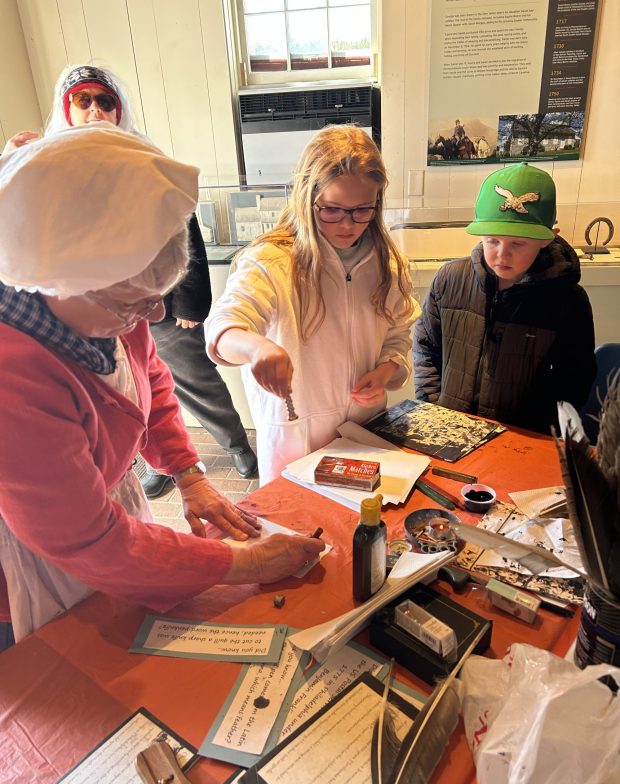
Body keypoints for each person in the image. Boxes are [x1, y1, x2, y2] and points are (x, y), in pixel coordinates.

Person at [0, 125, 324, 648]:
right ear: (58, 281)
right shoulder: (12, 376)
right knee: (63, 670)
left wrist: (188, 475)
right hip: (29, 563)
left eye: (159, 297)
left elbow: (149, 381)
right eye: (134, 303)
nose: (154, 316)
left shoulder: (107, 311)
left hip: (106, 528)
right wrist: (245, 563)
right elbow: (90, 541)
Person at [41, 64, 257, 499]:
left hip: (160, 305)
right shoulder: (49, 169)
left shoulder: (145, 159)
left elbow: (185, 234)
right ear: (68, 108)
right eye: (83, 100)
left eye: (104, 101)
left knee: (194, 381)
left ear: (118, 108)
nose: (95, 110)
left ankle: (237, 445)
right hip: (90, 315)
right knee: (125, 395)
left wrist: (190, 304)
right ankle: (153, 463)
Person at [205, 125, 419, 483]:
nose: (348, 225)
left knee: (365, 516)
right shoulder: (272, 260)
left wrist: (385, 372)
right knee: (299, 517)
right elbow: (224, 325)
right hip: (296, 438)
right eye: (332, 209)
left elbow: (398, 333)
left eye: (362, 210)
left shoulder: (387, 264)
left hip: (363, 431)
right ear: (307, 197)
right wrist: (256, 347)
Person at [413, 162, 596, 434]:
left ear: (548, 239)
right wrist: (434, 408)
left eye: (518, 244)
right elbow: (425, 347)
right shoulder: (449, 279)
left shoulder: (568, 301)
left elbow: (575, 379)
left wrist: (535, 430)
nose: (502, 254)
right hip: (449, 428)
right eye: (492, 240)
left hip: (521, 439)